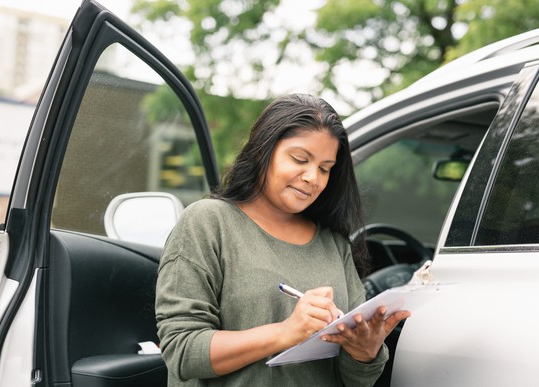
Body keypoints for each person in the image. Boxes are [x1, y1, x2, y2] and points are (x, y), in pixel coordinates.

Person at [155, 93, 410, 386]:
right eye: (300, 159)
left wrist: (364, 353)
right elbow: (182, 351)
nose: (313, 177)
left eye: (325, 168)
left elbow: (353, 380)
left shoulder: (333, 243)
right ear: (262, 151)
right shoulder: (208, 222)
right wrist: (286, 332)